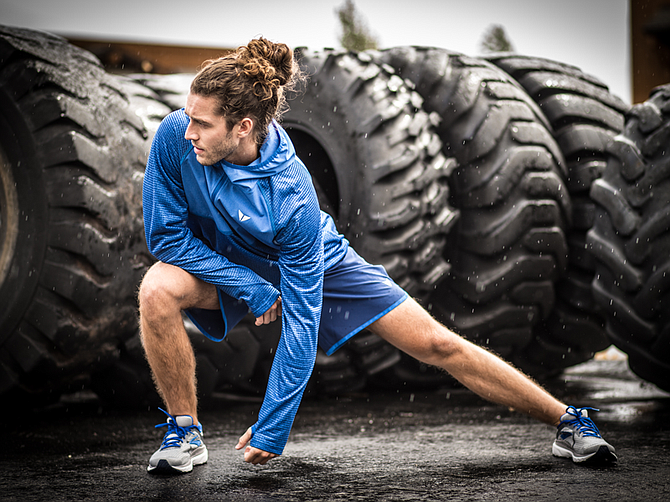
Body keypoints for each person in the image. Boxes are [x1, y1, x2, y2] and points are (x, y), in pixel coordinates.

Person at [139, 37, 617, 475]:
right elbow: (167, 239)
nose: (189, 133)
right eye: (189, 118)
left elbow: (302, 324)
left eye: (202, 124)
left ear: (243, 127)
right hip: (229, 267)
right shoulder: (174, 136)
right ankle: (185, 433)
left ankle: (569, 421)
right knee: (157, 289)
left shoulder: (292, 196)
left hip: (318, 265)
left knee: (438, 345)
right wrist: (249, 285)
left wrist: (274, 422)